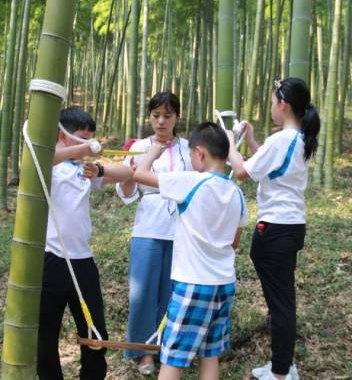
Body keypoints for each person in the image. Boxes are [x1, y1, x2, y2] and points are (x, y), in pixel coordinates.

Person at [133, 122, 249, 380]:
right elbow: (234, 242)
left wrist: (153, 152)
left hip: (192, 284)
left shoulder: (190, 182)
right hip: (224, 285)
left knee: (173, 358)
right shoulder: (237, 194)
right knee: (210, 355)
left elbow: (140, 175)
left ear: (199, 153)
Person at [227, 78, 321, 380]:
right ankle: (282, 364)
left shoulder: (282, 139)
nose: (271, 108)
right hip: (292, 226)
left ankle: (280, 372)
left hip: (275, 229)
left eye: (272, 102)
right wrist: (253, 141)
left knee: (281, 305)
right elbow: (267, 168)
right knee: (283, 301)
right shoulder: (297, 138)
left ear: (284, 105)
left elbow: (242, 172)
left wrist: (230, 144)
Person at [37, 107, 133, 380]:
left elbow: (127, 172)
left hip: (83, 263)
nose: (89, 143)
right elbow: (39, 159)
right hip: (52, 261)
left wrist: (97, 166)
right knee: (45, 336)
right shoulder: (48, 167)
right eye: (82, 137)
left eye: (91, 137)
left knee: (96, 334)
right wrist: (79, 150)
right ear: (62, 136)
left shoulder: (83, 170)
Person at [116, 92, 192, 375]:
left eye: (167, 116)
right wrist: (127, 176)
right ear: (149, 117)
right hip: (148, 225)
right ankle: (143, 352)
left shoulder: (189, 147)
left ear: (177, 118)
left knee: (173, 291)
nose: (161, 121)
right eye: (155, 115)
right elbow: (127, 191)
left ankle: (168, 347)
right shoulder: (139, 146)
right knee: (143, 290)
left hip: (182, 228)